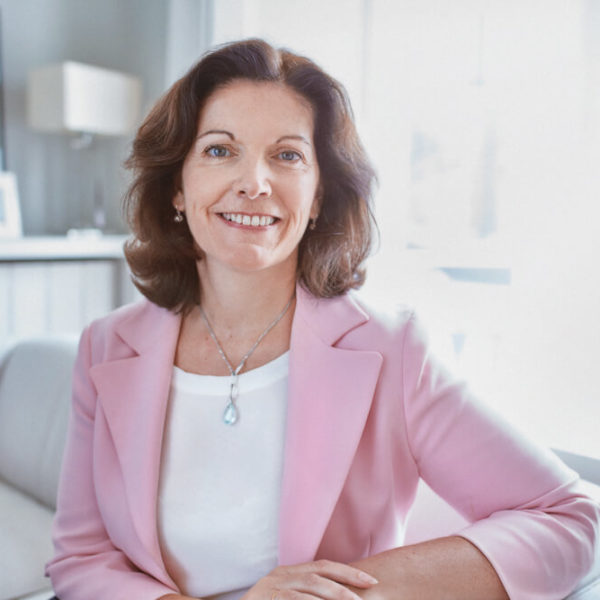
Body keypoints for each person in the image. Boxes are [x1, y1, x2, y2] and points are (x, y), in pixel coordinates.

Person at [45, 38, 598, 600]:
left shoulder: (392, 348)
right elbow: (81, 558)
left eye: (287, 155)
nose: (254, 183)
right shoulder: (106, 346)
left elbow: (572, 516)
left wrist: (346, 593)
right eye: (219, 150)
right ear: (176, 189)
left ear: (317, 199)